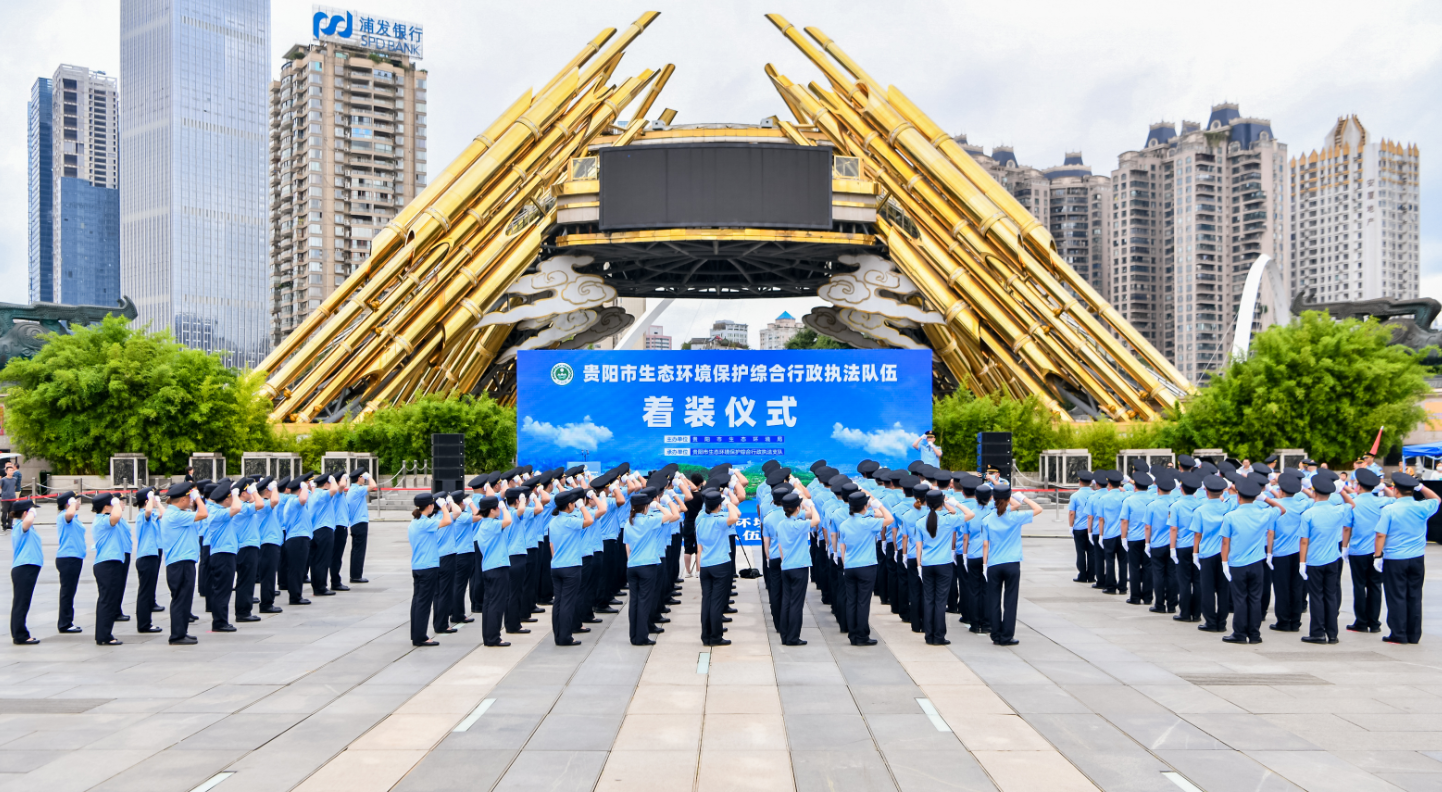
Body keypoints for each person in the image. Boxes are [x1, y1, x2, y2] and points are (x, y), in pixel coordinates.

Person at [1218, 478, 1285, 644]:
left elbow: (1225, 542)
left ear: (1238, 497)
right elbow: (1281, 509)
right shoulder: (1264, 513)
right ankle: (1255, 634)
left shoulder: (1230, 516)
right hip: (1257, 562)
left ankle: (1239, 633)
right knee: (1255, 599)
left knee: (1240, 599)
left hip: (1237, 563)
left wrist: (1224, 562)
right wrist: (1265, 498)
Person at [1376, 473, 1440, 644]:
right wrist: (1421, 487)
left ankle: (1399, 634)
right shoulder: (1422, 507)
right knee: (1414, 596)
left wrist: (1377, 556)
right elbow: (1437, 499)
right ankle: (1413, 634)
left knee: (1396, 596)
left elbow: (1381, 535)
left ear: (1396, 490)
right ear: (1412, 491)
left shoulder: (1389, 509)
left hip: (1395, 558)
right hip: (1417, 558)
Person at [982, 484, 1042, 646]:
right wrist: (1023, 498)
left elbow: (985, 545)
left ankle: (995, 634)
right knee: (1010, 600)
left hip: (994, 563)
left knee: (993, 600)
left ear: (993, 499)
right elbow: (1038, 509)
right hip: (1012, 563)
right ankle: (1007, 635)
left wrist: (985, 565)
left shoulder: (987, 519)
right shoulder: (1015, 517)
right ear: (1009, 499)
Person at [1298, 475, 1352, 644]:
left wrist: (1302, 562)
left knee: (1316, 597)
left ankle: (1317, 632)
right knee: (1331, 596)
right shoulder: (1338, 510)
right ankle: (1333, 633)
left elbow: (1304, 541)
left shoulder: (1308, 514)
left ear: (1314, 492)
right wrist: (1342, 490)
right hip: (1332, 559)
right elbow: (1352, 504)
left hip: (1314, 560)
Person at [838, 489, 893, 646]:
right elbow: (889, 518)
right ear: (864, 506)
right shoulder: (868, 522)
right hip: (866, 566)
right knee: (863, 602)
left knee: (852, 601)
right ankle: (862, 635)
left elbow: (842, 547)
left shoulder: (844, 524)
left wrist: (845, 564)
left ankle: (853, 635)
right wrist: (878, 505)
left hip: (849, 566)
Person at [625, 487, 678, 646]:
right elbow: (671, 515)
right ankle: (641, 637)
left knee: (634, 602)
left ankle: (634, 635)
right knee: (644, 602)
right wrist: (659, 505)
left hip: (632, 565)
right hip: (647, 565)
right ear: (646, 506)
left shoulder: (629, 522)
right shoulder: (649, 521)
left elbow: (627, 546)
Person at [548, 487, 600, 646]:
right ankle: (565, 636)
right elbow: (589, 520)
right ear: (570, 505)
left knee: (558, 602)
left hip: (557, 565)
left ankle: (558, 635)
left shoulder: (553, 521)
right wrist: (582, 506)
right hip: (571, 566)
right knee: (567, 603)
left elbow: (551, 545)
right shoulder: (570, 521)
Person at [918, 488, 970, 645]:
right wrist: (954, 503)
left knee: (928, 600)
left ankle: (929, 635)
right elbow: (970, 515)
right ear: (942, 502)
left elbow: (918, 546)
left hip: (927, 564)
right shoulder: (948, 520)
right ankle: (939, 636)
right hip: (944, 564)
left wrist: (919, 565)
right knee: (940, 601)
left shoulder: (920, 522)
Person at [160, 482, 209, 645]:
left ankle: (181, 632)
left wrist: (194, 497)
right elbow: (204, 513)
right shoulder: (176, 515)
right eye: (188, 498)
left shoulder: (178, 513)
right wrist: (198, 497)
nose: (191, 501)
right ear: (182, 499)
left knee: (183, 599)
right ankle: (177, 635)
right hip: (180, 563)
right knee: (180, 599)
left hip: (182, 562)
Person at [1188, 475, 1234, 633]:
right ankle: (1222, 621)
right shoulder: (1228, 508)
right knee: (1223, 588)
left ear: (1206, 491)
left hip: (1207, 553)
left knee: (1207, 588)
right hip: (1224, 553)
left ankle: (1210, 621)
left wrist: (1195, 553)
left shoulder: (1200, 510)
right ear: (1222, 491)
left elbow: (1197, 535)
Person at [696, 485, 740, 646]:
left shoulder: (700, 522)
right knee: (717, 602)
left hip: (706, 564)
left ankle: (705, 635)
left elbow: (699, 548)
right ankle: (715, 636)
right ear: (718, 506)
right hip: (720, 564)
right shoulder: (719, 521)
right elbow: (734, 517)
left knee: (706, 601)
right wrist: (728, 502)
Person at [1345, 468, 1387, 633]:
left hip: (1357, 551)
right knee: (1375, 586)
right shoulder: (1380, 502)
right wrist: (1383, 487)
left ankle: (1361, 622)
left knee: (1359, 586)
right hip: (1376, 551)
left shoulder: (1353, 503)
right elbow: (1394, 498)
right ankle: (1374, 622)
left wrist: (1344, 547)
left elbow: (1347, 528)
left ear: (1358, 486)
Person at [1267, 474, 1310, 633]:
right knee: (1297, 587)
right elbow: (1315, 497)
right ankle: (1295, 621)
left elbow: (1270, 533)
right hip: (1299, 552)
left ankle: (1284, 621)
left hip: (1280, 553)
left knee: (1281, 588)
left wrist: (1269, 553)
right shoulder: (1303, 504)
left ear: (1281, 489)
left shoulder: (1275, 506)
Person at [776, 490, 819, 646]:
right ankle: (793, 637)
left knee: (786, 601)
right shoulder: (798, 525)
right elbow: (816, 519)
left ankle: (785, 635)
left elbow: (780, 546)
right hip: (799, 566)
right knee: (796, 604)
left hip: (786, 565)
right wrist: (811, 504)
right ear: (797, 508)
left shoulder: (782, 524)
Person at [408, 492, 451, 647]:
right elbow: (447, 520)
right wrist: (444, 506)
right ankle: (420, 637)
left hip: (418, 566)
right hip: (428, 566)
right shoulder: (425, 522)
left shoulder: (415, 522)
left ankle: (416, 634)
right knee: (424, 604)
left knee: (417, 602)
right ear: (430, 505)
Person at [205, 480, 244, 632]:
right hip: (223, 555)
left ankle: (221, 620)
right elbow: (237, 507)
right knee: (222, 590)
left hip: (224, 553)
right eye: (232, 497)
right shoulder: (218, 513)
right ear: (226, 499)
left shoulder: (216, 510)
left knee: (223, 589)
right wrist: (235, 492)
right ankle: (220, 622)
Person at [90, 493, 129, 646]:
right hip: (107, 564)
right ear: (106, 507)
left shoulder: (107, 520)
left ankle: (105, 634)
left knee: (110, 600)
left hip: (112, 563)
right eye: (112, 503)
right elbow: (117, 515)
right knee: (106, 600)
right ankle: (104, 636)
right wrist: (116, 502)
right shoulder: (102, 521)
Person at [1167, 472, 1205, 622]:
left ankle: (1184, 612)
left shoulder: (1176, 506)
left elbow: (1173, 529)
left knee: (1184, 580)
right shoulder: (1201, 505)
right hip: (1198, 546)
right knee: (1197, 580)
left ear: (1181, 489)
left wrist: (1172, 548)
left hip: (1182, 546)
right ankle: (1196, 613)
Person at [1144, 472, 1179, 614]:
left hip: (1157, 543)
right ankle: (1171, 604)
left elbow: (1147, 527)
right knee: (1172, 574)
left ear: (1158, 489)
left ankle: (1159, 603)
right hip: (1172, 544)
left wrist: (1147, 543)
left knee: (1158, 574)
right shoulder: (1176, 504)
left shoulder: (1152, 505)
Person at [1119, 471, 1155, 605]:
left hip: (1133, 538)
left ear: (1135, 487)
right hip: (1149, 538)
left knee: (1134, 567)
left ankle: (1135, 596)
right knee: (1148, 567)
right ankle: (1148, 597)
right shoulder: (1153, 499)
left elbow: (1124, 521)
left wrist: (1123, 538)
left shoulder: (1129, 500)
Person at [132, 488, 165, 634]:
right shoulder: (143, 516)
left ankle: (145, 622)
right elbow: (148, 511)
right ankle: (144, 624)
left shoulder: (151, 516)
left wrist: (157, 502)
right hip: (146, 557)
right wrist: (151, 499)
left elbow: (164, 514)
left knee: (148, 591)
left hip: (151, 556)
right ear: (146, 502)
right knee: (145, 593)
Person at [962, 483, 993, 635]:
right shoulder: (993, 513)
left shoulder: (971, 513)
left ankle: (975, 624)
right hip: (989, 555)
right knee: (987, 590)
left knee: (974, 590)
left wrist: (964, 555)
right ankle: (987, 623)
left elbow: (965, 538)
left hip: (973, 554)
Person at [9, 499, 40, 644]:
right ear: (26, 513)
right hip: (24, 568)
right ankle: (20, 635)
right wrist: (32, 512)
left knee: (22, 602)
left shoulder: (24, 527)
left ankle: (20, 632)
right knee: (21, 603)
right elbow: (27, 522)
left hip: (27, 568)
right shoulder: (21, 526)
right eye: (32, 511)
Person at [54, 491, 85, 634]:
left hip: (74, 557)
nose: (78, 503)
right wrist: (72, 501)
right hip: (68, 558)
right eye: (76, 501)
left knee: (70, 592)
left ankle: (67, 621)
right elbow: (69, 514)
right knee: (67, 592)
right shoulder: (64, 516)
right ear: (69, 503)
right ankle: (65, 623)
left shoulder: (74, 518)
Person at [282, 477, 314, 605]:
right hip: (297, 538)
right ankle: (295, 596)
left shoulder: (292, 502)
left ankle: (296, 594)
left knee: (298, 568)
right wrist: (305, 487)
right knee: (296, 569)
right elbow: (303, 498)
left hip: (298, 538)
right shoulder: (294, 501)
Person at [257, 480, 285, 614]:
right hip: (267, 544)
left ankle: (268, 602)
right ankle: (266, 604)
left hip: (271, 543)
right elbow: (275, 500)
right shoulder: (263, 505)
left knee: (269, 575)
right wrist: (274, 487)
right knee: (268, 576)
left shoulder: (263, 505)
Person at [1068, 471, 1096, 583]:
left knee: (1080, 552)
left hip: (1079, 527)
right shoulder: (1095, 494)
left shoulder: (1075, 496)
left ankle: (1082, 575)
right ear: (1090, 482)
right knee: (1092, 552)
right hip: (1092, 528)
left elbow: (1071, 513)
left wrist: (1071, 526)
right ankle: (1091, 575)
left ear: (1080, 482)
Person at [0, 461, 20, 531]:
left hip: (12, 497)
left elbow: (14, 486)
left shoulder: (14, 479)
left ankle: (10, 524)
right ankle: (4, 524)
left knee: (11, 512)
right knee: (4, 512)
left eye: (12, 470)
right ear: (6, 471)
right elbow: (1, 487)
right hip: (5, 498)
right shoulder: (3, 479)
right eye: (10, 470)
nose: (11, 472)